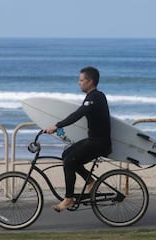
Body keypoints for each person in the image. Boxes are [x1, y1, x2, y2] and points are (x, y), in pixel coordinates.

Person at [44, 66, 112, 212]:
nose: (78, 83)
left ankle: (68, 199)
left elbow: (78, 114)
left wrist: (57, 126)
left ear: (90, 81)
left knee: (69, 161)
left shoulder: (96, 97)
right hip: (93, 140)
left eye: (81, 80)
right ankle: (90, 181)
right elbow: (80, 113)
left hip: (99, 143)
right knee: (66, 155)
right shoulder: (92, 97)